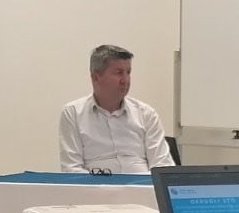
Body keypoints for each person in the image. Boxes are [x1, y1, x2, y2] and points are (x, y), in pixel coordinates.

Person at [58, 45, 174, 174]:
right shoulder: (73, 113)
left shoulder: (146, 114)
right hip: (96, 185)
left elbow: (163, 166)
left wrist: (139, 184)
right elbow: (71, 168)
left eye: (128, 72)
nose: (125, 80)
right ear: (96, 77)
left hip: (142, 185)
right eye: (119, 73)